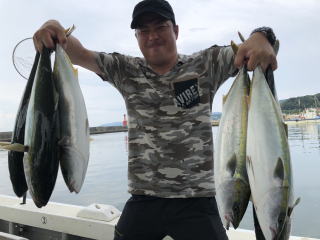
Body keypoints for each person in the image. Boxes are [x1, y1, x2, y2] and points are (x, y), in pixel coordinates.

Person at [33, 0, 277, 239]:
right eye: (143, 31)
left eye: (160, 27)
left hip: (197, 202)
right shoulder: (125, 70)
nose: (152, 36)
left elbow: (253, 50)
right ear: (136, 37)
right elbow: (78, 53)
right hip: (143, 200)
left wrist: (261, 36)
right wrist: (55, 29)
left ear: (176, 30)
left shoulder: (206, 64)